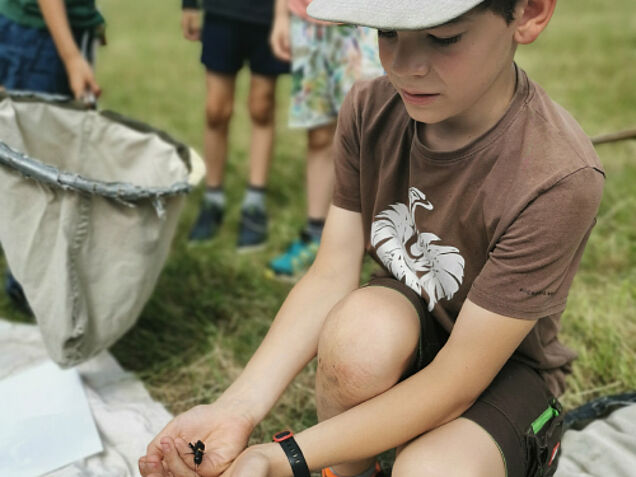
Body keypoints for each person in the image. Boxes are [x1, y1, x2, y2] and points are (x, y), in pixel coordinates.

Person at [139, 1, 605, 476]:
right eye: (387, 33)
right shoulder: (370, 109)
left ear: (528, 14)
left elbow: (457, 381)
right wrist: (234, 410)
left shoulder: (556, 176)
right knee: (358, 337)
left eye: (443, 38)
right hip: (409, 328)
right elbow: (330, 276)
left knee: (431, 471)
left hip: (502, 373)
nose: (405, 66)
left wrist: (283, 457)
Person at [266, 0, 383, 279]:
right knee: (319, 134)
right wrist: (281, 15)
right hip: (309, 20)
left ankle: (384, 241)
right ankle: (315, 236)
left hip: (365, 19)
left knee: (377, 126)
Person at [0, 0, 104, 311]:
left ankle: (30, 280)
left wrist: (86, 19)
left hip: (50, 31)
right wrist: (72, 56)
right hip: (40, 39)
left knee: (35, 159)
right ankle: (28, 286)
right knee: (38, 169)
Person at [182, 0, 289, 250]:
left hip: (268, 16)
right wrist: (189, 5)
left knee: (262, 108)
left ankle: (255, 203)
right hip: (221, 12)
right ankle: (213, 199)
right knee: (215, 111)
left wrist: (284, 15)